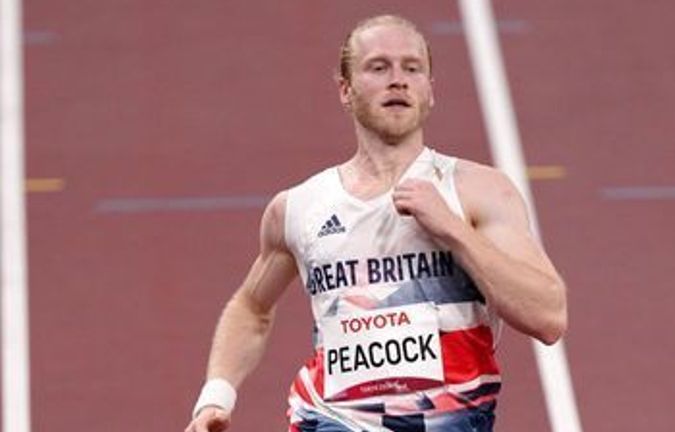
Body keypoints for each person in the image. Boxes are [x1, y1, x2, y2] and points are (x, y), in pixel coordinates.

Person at [185, 14, 567, 432]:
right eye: (378, 67)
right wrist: (215, 397)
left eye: (412, 68)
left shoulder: (478, 191)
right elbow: (251, 307)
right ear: (346, 90)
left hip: (447, 421)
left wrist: (453, 230)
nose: (398, 80)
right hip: (330, 421)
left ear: (430, 90)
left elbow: (548, 316)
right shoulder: (299, 207)